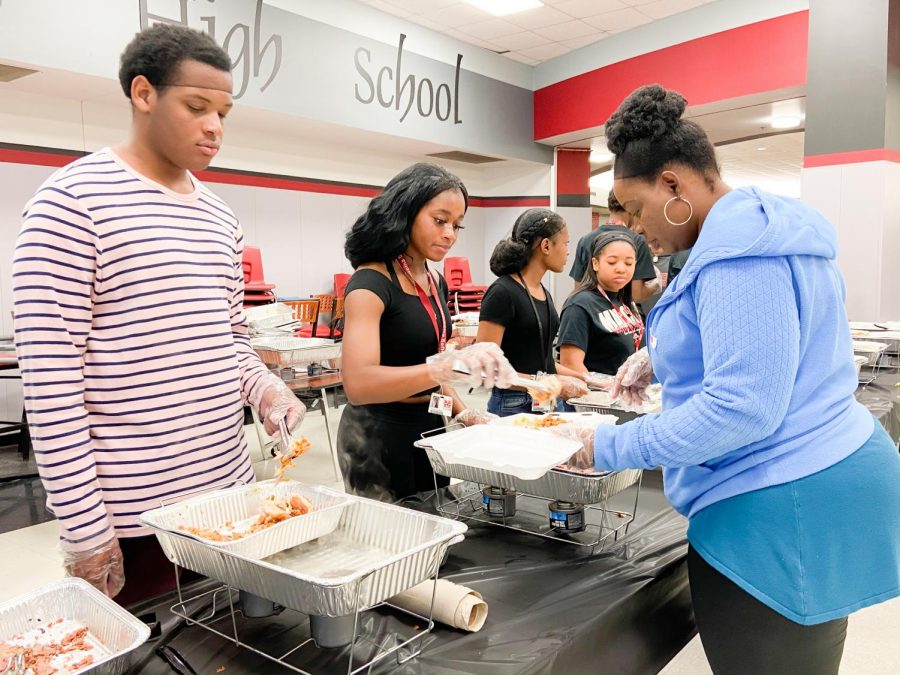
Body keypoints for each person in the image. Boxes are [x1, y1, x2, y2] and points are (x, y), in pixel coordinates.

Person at [557, 84, 900, 674]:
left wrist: (610, 445)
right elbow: (773, 346)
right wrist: (661, 357)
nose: (635, 231)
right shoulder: (765, 228)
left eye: (635, 209)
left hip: (781, 498)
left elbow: (741, 409)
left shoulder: (740, 254)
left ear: (673, 185)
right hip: (818, 478)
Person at [12, 24, 308, 605]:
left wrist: (267, 390)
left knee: (229, 648)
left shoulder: (221, 218)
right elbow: (51, 387)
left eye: (223, 111)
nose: (214, 127)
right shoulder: (71, 203)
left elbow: (228, 340)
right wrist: (86, 531)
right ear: (143, 94)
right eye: (197, 106)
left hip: (230, 500)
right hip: (133, 520)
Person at [339, 163, 515, 501]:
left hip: (429, 421)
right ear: (405, 214)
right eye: (440, 221)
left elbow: (432, 363)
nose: (450, 233)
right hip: (376, 435)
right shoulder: (370, 283)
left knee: (437, 523)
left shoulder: (435, 282)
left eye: (457, 225)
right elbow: (358, 385)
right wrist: (443, 366)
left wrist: (464, 413)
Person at [476, 209, 589, 416]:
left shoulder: (542, 292)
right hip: (514, 404)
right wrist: (546, 382)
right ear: (546, 246)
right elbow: (486, 370)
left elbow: (542, 361)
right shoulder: (502, 292)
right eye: (566, 244)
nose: (567, 252)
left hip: (548, 399)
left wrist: (583, 378)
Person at [557, 232, 643, 380]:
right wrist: (605, 388)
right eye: (612, 262)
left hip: (625, 396)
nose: (621, 269)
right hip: (595, 399)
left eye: (629, 263)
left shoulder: (626, 301)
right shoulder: (579, 305)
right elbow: (571, 365)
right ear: (595, 263)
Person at [569, 189, 659, 303]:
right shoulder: (637, 241)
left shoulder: (585, 240)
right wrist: (655, 286)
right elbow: (635, 295)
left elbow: (578, 288)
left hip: (591, 311)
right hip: (620, 314)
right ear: (632, 208)